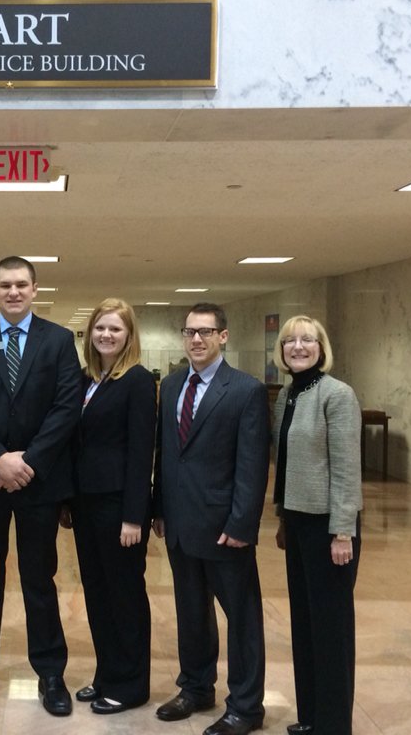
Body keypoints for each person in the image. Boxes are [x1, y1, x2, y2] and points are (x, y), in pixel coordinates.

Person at [0, 255, 82, 716]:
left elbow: (66, 407)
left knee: (39, 581)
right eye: (5, 285)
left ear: (35, 289)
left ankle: (50, 674)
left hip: (39, 483)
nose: (13, 292)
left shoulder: (60, 341)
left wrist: (28, 462)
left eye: (21, 284)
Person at [152, 302, 270, 735]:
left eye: (205, 332)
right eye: (189, 332)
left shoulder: (246, 390)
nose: (196, 340)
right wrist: (159, 508)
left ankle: (246, 706)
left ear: (224, 336)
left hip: (225, 529)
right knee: (191, 613)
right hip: (181, 526)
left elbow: (252, 466)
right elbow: (166, 453)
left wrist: (242, 524)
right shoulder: (171, 385)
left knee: (241, 618)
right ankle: (197, 687)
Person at [62, 298, 156, 714]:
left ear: (129, 336)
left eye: (115, 329)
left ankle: (132, 684)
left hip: (119, 507)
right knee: (98, 594)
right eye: (100, 328)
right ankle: (107, 675)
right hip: (86, 504)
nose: (106, 335)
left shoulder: (136, 381)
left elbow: (141, 453)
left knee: (125, 597)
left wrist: (135, 514)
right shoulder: (86, 380)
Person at [272, 315, 362, 735]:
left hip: (330, 529)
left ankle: (333, 725)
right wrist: (282, 518)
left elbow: (346, 467)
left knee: (332, 630)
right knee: (305, 624)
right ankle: (310, 717)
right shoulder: (288, 395)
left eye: (307, 340)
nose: (298, 346)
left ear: (321, 347)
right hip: (299, 522)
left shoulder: (337, 395)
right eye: (290, 341)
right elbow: (286, 463)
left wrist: (343, 530)